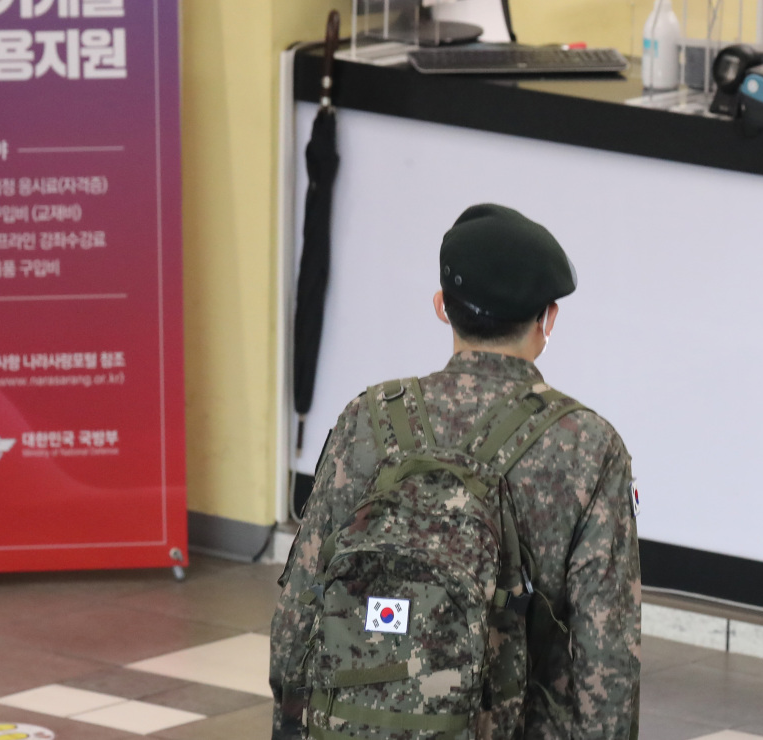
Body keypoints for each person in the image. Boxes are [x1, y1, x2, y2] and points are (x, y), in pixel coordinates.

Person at [271, 204, 641, 739]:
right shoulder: (587, 445)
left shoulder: (369, 419)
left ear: (443, 307)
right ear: (548, 321)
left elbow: (302, 598)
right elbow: (607, 657)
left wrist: (290, 727)